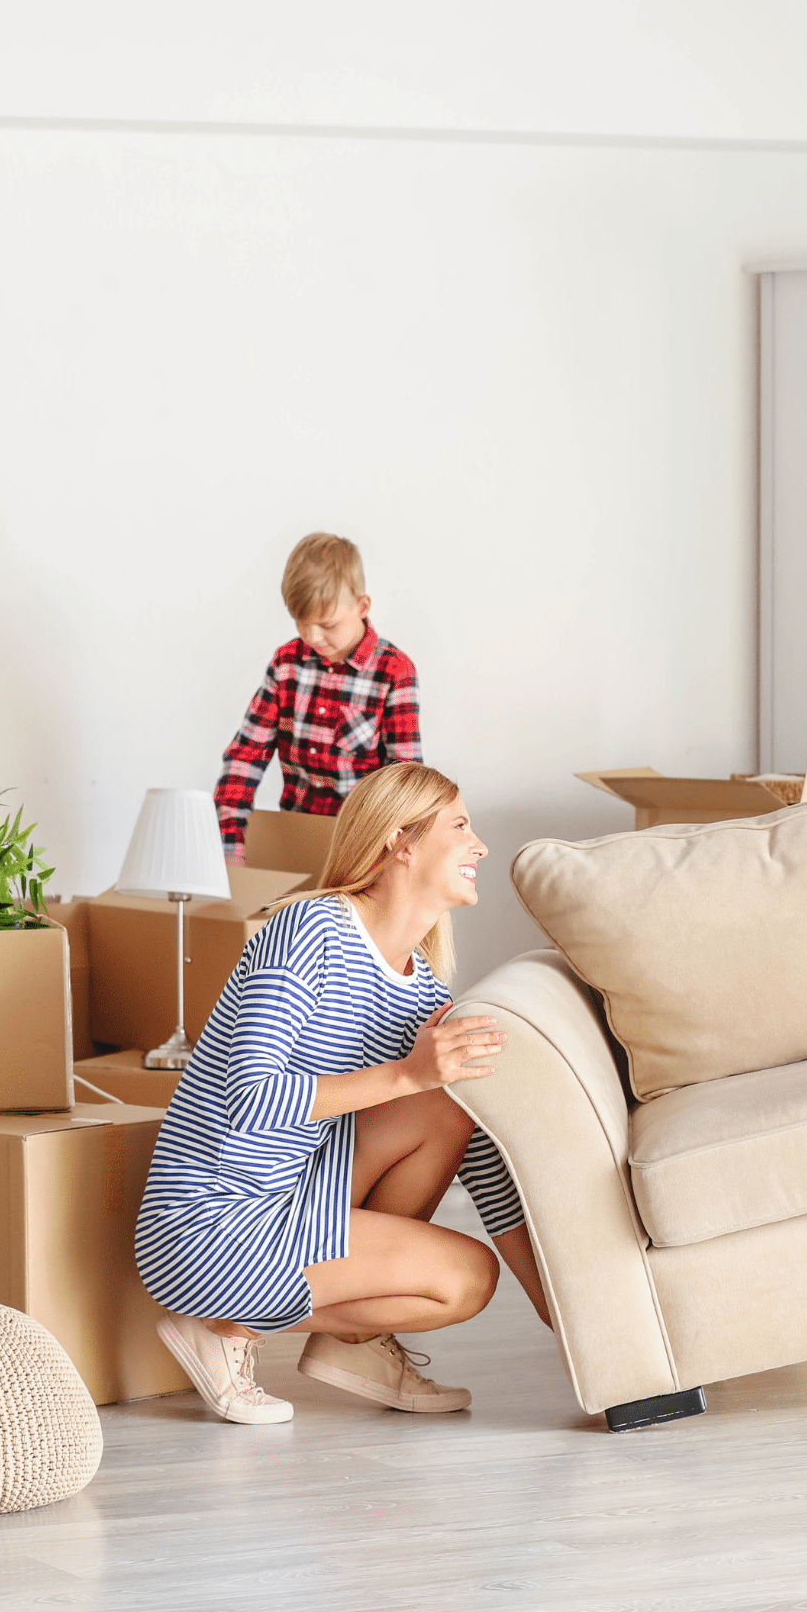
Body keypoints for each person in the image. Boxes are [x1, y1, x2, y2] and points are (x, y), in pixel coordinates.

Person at [135, 761, 544, 1424]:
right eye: (461, 825)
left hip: (296, 1202)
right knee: (463, 1271)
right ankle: (220, 1328)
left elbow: (482, 1165)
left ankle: (352, 1344)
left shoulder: (423, 991)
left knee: (450, 1115)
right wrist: (408, 1075)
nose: (481, 846)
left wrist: (568, 1316)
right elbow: (249, 1098)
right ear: (399, 840)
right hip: (210, 1222)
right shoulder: (310, 931)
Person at [213, 531, 422, 865]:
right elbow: (245, 758)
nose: (311, 637)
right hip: (295, 841)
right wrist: (231, 848)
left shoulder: (394, 672)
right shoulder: (286, 664)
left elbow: (405, 779)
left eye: (327, 624)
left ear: (362, 605)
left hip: (362, 851)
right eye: (301, 623)